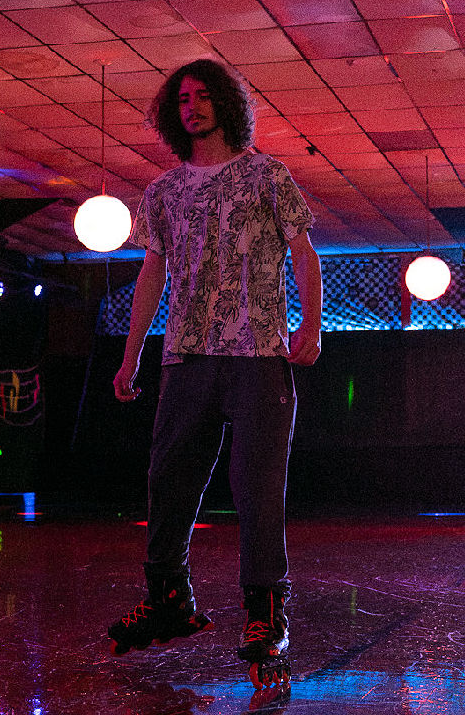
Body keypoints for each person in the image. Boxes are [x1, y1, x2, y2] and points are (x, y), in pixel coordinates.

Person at [106, 59, 322, 689]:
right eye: (182, 99)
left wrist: (310, 327)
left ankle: (266, 617)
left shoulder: (266, 175)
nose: (192, 106)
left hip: (257, 355)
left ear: (226, 103)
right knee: (168, 482)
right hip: (187, 356)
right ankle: (171, 601)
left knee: (258, 492)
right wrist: (131, 354)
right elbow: (151, 275)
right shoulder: (164, 190)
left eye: (202, 96)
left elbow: (303, 250)